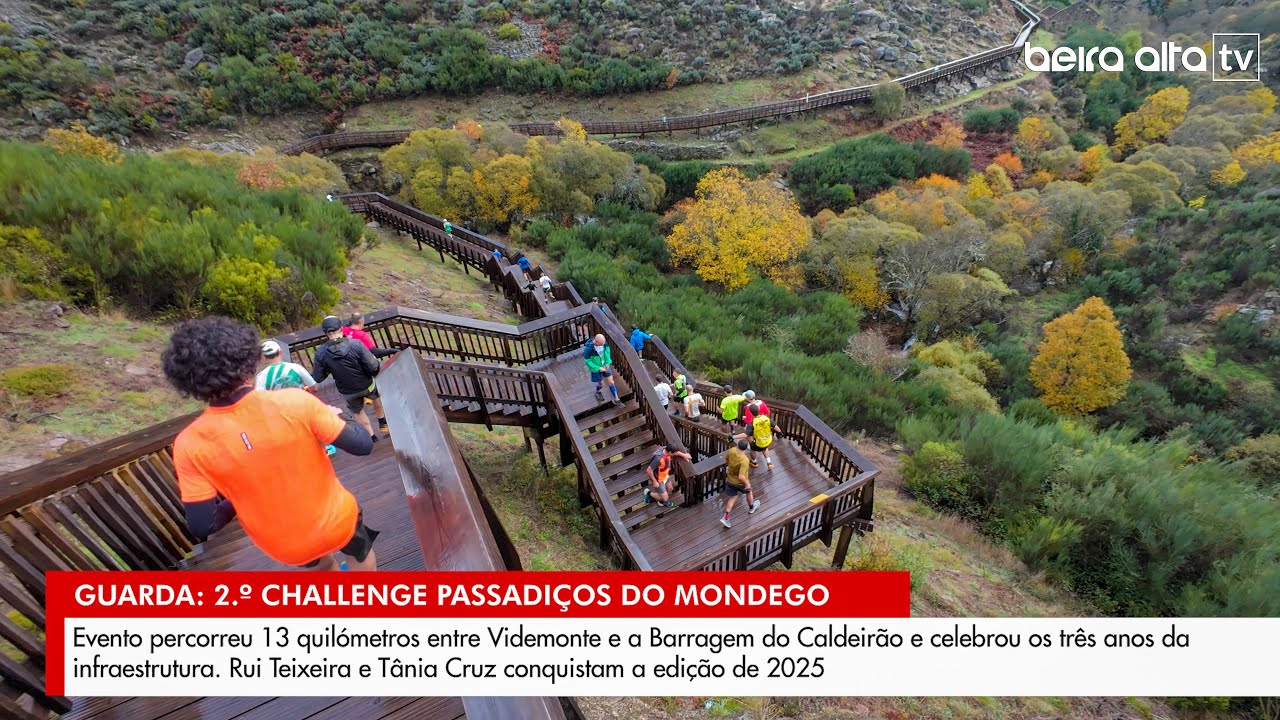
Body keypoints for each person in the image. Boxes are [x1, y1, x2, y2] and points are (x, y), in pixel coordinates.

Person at [161, 316, 379, 571]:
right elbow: (363, 445)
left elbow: (202, 524)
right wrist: (337, 415)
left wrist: (242, 494)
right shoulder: (295, 402)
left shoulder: (189, 444)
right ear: (248, 361)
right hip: (335, 521)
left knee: (321, 565)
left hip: (285, 544)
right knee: (359, 555)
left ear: (188, 382)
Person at [312, 315, 385, 440]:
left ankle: (372, 437)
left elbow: (318, 378)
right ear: (341, 328)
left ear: (326, 333)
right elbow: (373, 366)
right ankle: (382, 421)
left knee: (358, 412)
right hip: (367, 383)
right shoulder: (356, 344)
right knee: (375, 396)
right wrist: (374, 366)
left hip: (347, 391)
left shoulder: (321, 353)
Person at [721, 438, 760, 528]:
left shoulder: (732, 450)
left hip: (730, 479)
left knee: (733, 497)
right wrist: (747, 484)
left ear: (738, 446)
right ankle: (751, 507)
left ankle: (726, 517)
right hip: (740, 483)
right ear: (746, 448)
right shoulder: (744, 460)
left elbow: (726, 460)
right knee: (749, 492)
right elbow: (741, 477)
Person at [645, 442, 690, 509]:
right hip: (658, 479)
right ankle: (649, 493)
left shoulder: (666, 448)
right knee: (665, 498)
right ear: (670, 452)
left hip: (665, 475)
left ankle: (661, 498)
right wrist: (654, 481)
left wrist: (684, 455)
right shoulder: (658, 458)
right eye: (674, 453)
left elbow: (675, 452)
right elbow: (649, 470)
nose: (675, 454)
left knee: (670, 488)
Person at [583, 333, 620, 405]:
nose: (603, 345)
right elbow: (587, 361)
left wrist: (608, 363)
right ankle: (597, 391)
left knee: (611, 382)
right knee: (602, 385)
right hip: (596, 369)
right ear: (596, 342)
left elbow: (607, 352)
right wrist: (598, 368)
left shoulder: (604, 343)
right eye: (601, 344)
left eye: (603, 343)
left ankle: (616, 399)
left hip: (605, 365)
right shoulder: (589, 349)